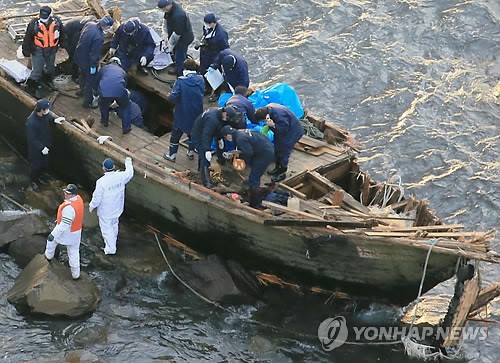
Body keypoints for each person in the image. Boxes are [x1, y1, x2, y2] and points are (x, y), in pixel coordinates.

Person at [89, 157, 134, 255]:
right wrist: (128, 161)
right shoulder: (120, 176)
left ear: (103, 169)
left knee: (106, 230)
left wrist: (92, 206)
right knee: (114, 225)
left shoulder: (101, 182)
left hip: (106, 211)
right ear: (114, 167)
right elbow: (130, 173)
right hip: (117, 208)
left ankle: (110, 249)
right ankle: (113, 242)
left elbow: (97, 197)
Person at [220, 126, 274, 208]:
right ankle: (252, 187)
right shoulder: (241, 132)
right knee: (253, 167)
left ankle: (255, 202)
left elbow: (249, 153)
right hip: (264, 148)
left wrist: (238, 155)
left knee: (254, 177)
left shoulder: (240, 139)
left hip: (264, 154)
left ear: (228, 136)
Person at [163, 58, 204, 162]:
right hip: (197, 111)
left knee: (176, 133)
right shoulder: (201, 79)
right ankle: (190, 152)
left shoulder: (181, 81)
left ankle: (172, 155)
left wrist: (169, 94)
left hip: (183, 111)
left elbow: (173, 97)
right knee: (192, 132)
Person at [190, 106, 242, 188]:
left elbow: (219, 127)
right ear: (225, 113)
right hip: (199, 135)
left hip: (207, 133)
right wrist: (207, 149)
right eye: (228, 117)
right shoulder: (212, 119)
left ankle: (201, 170)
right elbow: (206, 134)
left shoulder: (219, 115)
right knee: (204, 157)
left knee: (206, 154)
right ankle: (206, 182)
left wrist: (219, 138)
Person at [255, 103, 304, 182]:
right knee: (277, 148)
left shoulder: (280, 116)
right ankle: (277, 168)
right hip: (281, 131)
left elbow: (283, 130)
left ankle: (282, 172)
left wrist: (273, 125)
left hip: (291, 132)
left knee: (284, 151)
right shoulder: (269, 109)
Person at [21, 5, 64, 99]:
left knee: (50, 67)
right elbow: (27, 37)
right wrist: (26, 51)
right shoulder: (34, 23)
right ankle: (31, 86)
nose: (43, 19)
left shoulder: (57, 22)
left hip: (52, 49)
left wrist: (63, 44)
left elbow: (62, 34)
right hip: (38, 49)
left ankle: (47, 80)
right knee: (37, 70)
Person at [45, 184, 84, 280]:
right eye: (66, 192)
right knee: (74, 253)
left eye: (68, 193)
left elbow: (64, 225)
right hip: (76, 232)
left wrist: (53, 234)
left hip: (67, 233)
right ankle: (76, 274)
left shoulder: (69, 209)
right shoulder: (79, 200)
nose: (66, 194)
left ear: (73, 194)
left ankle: (48, 257)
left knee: (51, 242)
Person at [74, 15, 114, 108]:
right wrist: (93, 66)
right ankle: (87, 102)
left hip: (79, 56)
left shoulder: (89, 24)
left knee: (82, 75)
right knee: (90, 81)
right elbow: (94, 55)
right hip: (88, 62)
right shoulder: (98, 38)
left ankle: (81, 90)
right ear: (105, 26)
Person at [26, 99, 65, 190]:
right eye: (46, 109)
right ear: (41, 110)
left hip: (46, 144)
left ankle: (40, 176)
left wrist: (54, 120)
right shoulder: (31, 122)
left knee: (44, 164)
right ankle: (33, 181)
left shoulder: (45, 115)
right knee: (36, 166)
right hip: (36, 149)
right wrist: (41, 147)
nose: (48, 111)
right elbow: (32, 139)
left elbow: (49, 118)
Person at [157, 0, 194, 76]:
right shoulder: (170, 9)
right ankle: (176, 64)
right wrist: (165, 35)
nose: (163, 10)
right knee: (176, 53)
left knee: (180, 55)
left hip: (183, 39)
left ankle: (179, 74)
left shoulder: (179, 15)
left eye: (164, 8)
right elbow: (166, 20)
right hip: (175, 34)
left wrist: (170, 45)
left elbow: (177, 34)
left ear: (169, 5)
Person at [97, 57, 132, 133]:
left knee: (103, 104)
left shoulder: (104, 68)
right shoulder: (122, 71)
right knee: (125, 106)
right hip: (119, 92)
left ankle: (104, 121)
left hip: (104, 91)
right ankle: (126, 128)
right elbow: (125, 84)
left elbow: (98, 79)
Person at [59, 16, 97, 82]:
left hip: (71, 30)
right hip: (65, 35)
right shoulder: (81, 29)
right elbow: (76, 44)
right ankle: (74, 75)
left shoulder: (92, 22)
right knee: (74, 55)